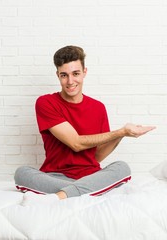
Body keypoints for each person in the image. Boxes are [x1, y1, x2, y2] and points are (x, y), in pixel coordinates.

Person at [14, 45, 155, 206]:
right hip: (54, 176)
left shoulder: (98, 108)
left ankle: (58, 197)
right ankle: (88, 190)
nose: (70, 81)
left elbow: (97, 156)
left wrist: (122, 134)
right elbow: (76, 143)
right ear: (57, 75)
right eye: (64, 75)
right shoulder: (46, 103)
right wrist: (120, 131)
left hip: (90, 176)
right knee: (22, 173)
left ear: (84, 72)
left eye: (75, 74)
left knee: (122, 168)